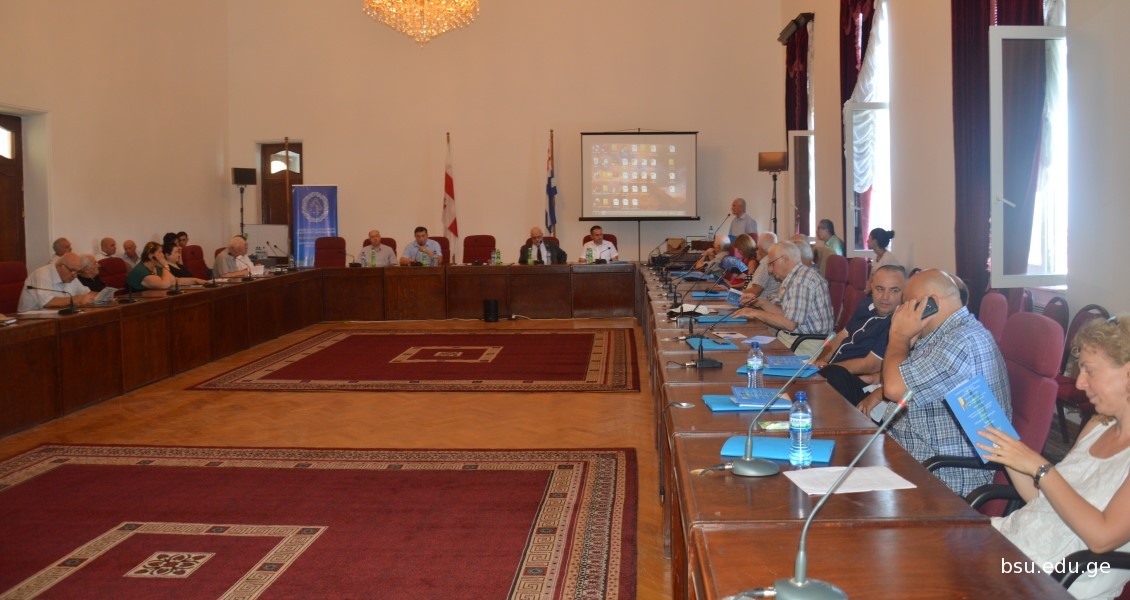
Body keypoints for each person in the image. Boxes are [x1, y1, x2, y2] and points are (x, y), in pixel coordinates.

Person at [979, 316, 1130, 600]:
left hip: (1055, 580)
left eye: (1089, 370)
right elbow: (1045, 500)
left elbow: (1102, 538)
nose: (1080, 383)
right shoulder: (1099, 425)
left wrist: (1040, 467)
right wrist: (1009, 454)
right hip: (1015, 550)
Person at [870, 269, 1010, 496]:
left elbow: (894, 389)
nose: (900, 311)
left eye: (907, 304)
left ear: (930, 304)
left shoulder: (961, 342)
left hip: (941, 475)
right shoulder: (947, 333)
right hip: (913, 456)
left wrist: (899, 337)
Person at [813, 265, 907, 406]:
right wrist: (818, 362)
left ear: (905, 292)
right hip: (832, 370)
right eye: (880, 289)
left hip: (858, 382)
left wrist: (827, 369)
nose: (885, 297)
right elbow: (841, 336)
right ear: (871, 287)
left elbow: (871, 364)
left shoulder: (898, 322)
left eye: (894, 290)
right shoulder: (866, 303)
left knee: (828, 379)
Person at [733, 241, 834, 355]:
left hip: (805, 344)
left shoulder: (801, 281)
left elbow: (789, 324)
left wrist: (755, 313)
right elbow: (786, 313)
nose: (770, 270)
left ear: (785, 259)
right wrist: (758, 302)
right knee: (746, 347)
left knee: (748, 353)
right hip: (793, 339)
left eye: (772, 264)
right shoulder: (795, 277)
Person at [18, 252, 97, 311]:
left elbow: (86, 293)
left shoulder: (72, 275)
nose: (75, 275)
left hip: (58, 317)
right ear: (61, 266)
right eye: (72, 271)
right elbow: (47, 303)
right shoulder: (42, 274)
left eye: (78, 272)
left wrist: (101, 295)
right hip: (30, 320)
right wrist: (77, 300)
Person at [128, 241, 206, 291]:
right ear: (151, 256)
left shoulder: (157, 267)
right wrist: (165, 265)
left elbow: (174, 281)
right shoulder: (141, 271)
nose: (163, 255)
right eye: (160, 252)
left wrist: (196, 280)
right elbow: (164, 285)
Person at [739, 232, 780, 303]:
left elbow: (755, 291)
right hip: (761, 304)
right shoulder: (770, 260)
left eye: (758, 248)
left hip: (759, 305)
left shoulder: (766, 262)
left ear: (761, 249)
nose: (756, 251)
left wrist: (736, 294)